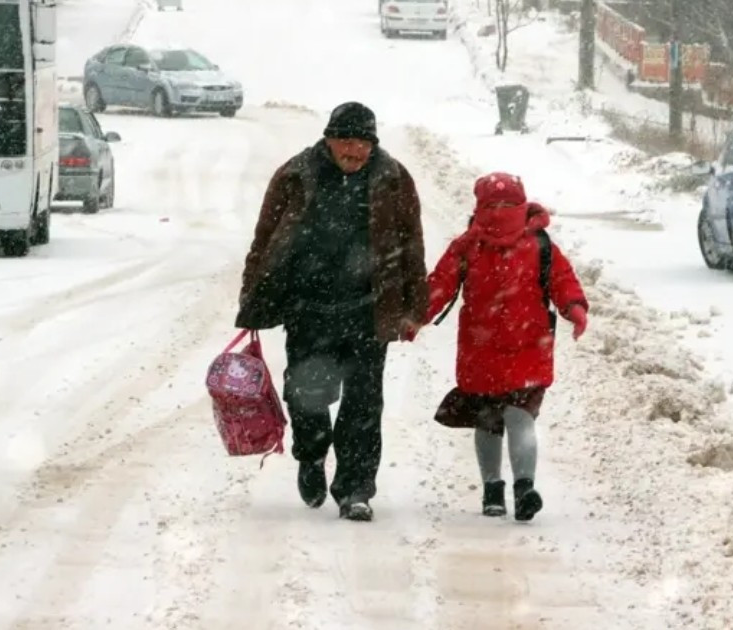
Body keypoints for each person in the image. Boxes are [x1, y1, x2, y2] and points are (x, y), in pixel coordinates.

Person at [236, 102, 428, 522]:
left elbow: (411, 241)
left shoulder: (392, 178)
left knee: (363, 405)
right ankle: (311, 455)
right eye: (347, 141)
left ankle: (355, 489)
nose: (355, 151)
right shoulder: (296, 174)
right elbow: (265, 239)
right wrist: (254, 297)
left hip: (367, 310)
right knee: (308, 395)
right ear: (329, 138)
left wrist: (414, 306)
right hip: (309, 308)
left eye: (363, 143)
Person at [413, 172, 588, 522]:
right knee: (499, 421)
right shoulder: (473, 246)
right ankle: (496, 489)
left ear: (522, 205)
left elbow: (561, 281)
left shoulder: (533, 244)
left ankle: (519, 489)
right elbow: (441, 284)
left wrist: (574, 307)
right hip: (497, 349)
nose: (500, 212)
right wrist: (418, 316)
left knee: (508, 420)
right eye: (493, 205)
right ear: (480, 208)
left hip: (515, 348)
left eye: (508, 204)